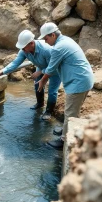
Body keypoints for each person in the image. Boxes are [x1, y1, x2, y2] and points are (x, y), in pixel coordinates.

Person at [37, 22, 94, 150]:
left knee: (70, 113)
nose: (45, 42)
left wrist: (42, 81)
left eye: (46, 38)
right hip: (84, 78)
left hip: (78, 82)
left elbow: (51, 69)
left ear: (52, 35)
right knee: (73, 110)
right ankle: (66, 129)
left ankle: (64, 141)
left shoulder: (59, 47)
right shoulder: (66, 40)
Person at [0, 30, 61, 120]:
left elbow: (53, 66)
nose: (22, 49)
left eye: (24, 47)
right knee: (37, 85)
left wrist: (40, 72)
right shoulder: (24, 51)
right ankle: (40, 103)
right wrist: (2, 71)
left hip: (54, 69)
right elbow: (15, 63)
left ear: (31, 43)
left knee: (52, 91)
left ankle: (49, 111)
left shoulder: (46, 49)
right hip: (41, 67)